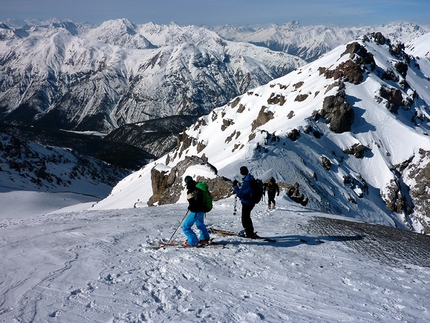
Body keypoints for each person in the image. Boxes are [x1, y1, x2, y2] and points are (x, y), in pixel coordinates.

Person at [182, 176, 210, 246]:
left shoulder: (191, 189)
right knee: (200, 224)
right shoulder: (198, 186)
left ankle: (192, 241)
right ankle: (204, 238)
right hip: (203, 210)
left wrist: (190, 207)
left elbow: (192, 203)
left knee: (186, 227)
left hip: (196, 211)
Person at [233, 166, 257, 239]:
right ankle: (250, 232)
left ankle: (249, 233)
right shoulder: (250, 179)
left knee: (245, 219)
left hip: (247, 203)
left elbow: (240, 194)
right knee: (247, 217)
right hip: (251, 202)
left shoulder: (247, 182)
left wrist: (235, 187)